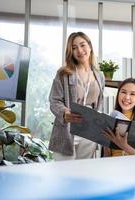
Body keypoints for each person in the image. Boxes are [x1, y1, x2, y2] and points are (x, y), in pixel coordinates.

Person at [49, 32, 105, 161]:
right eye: (74, 48)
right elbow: (54, 100)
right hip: (67, 130)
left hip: (89, 131)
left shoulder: (99, 75)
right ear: (71, 52)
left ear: (90, 47)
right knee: (64, 175)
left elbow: (98, 104)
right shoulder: (64, 73)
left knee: (83, 174)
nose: (79, 50)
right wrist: (64, 113)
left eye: (82, 45)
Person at [103, 78, 135, 156]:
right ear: (118, 94)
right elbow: (107, 157)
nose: (127, 97)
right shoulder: (111, 119)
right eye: (123, 92)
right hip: (114, 166)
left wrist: (124, 146)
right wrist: (104, 141)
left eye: (132, 94)